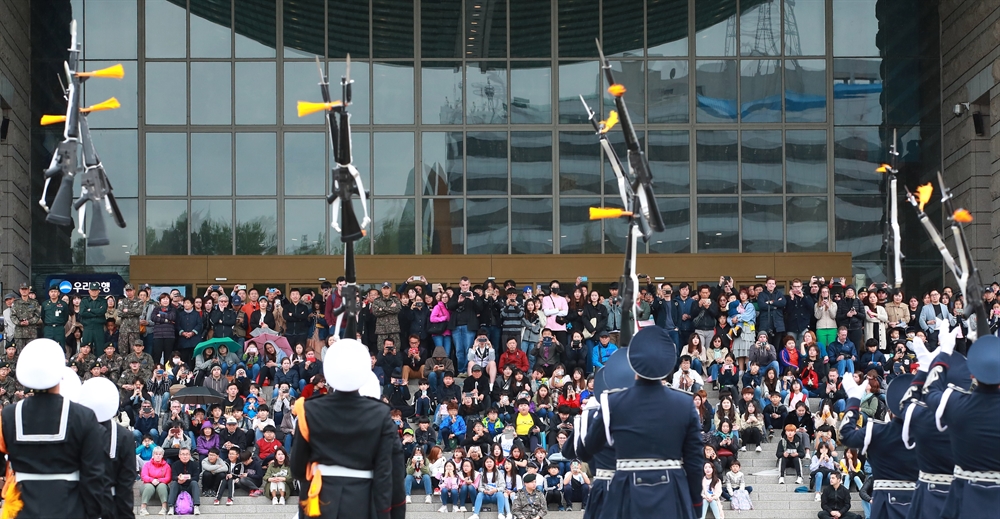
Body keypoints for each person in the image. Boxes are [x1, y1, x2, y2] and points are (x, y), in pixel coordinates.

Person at [585, 326, 703, 519]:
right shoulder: (684, 403)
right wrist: (695, 504)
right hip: (672, 495)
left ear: (633, 363)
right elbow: (694, 462)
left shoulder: (612, 402)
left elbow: (590, 446)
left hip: (625, 495)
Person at [0, 338, 110, 518]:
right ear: (61, 374)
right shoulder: (83, 416)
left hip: (21, 509)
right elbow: (95, 474)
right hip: (70, 508)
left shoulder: (8, 415)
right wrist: (92, 512)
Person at [290, 338, 397, 518]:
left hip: (322, 500)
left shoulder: (310, 409)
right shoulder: (380, 413)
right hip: (363, 503)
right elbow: (384, 472)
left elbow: (298, 467)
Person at [923, 327, 1000, 519]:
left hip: (965, 500)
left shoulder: (954, 403)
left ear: (971, 375)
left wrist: (944, 353)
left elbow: (930, 390)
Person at [840, 371, 918, 519]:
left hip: (885, 505)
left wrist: (854, 400)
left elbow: (845, 434)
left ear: (891, 410)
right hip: (918, 502)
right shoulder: (928, 434)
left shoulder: (875, 430)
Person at [77, 376, 138, 519]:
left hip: (80, 505)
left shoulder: (74, 432)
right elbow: (126, 484)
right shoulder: (125, 436)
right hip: (110, 505)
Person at [168, 447, 203, 514]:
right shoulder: (175, 464)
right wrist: (178, 479)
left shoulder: (195, 464)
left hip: (190, 486)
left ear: (190, 455)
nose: (185, 456)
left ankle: (196, 506)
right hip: (179, 485)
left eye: (187, 454)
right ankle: (171, 506)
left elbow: (196, 478)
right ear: (179, 455)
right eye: (183, 454)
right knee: (174, 483)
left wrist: (186, 479)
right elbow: (173, 476)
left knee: (194, 483)